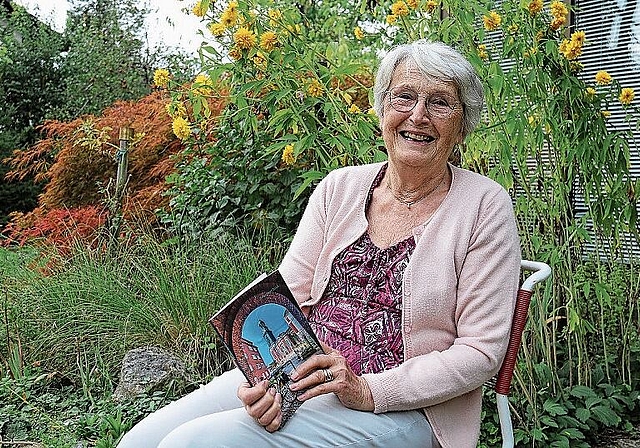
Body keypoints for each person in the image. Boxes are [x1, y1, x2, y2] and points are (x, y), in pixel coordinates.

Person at [117, 39, 521, 448]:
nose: (418, 116)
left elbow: (480, 352)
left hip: (404, 409)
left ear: (462, 124)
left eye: (440, 103)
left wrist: (367, 390)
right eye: (405, 97)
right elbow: (288, 294)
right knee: (140, 442)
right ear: (382, 110)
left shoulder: (485, 206)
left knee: (192, 444)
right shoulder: (339, 188)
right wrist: (263, 381)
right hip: (301, 378)